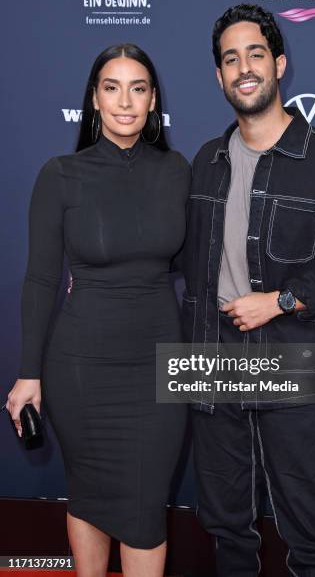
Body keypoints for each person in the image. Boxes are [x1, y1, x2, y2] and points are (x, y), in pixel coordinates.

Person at [181, 4, 315, 577]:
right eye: (230, 58)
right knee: (225, 522)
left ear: (279, 64)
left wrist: (281, 300)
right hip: (212, 360)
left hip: (297, 357)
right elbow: (183, 257)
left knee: (309, 527)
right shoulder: (206, 162)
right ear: (219, 77)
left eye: (255, 54)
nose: (244, 67)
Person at [6, 43, 190, 577]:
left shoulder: (178, 170)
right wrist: (28, 374)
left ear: (154, 100)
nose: (125, 102)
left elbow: (191, 261)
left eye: (138, 88)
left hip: (159, 363)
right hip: (80, 367)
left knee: (145, 506)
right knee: (87, 494)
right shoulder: (60, 174)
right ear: (94, 98)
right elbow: (41, 278)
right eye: (112, 88)